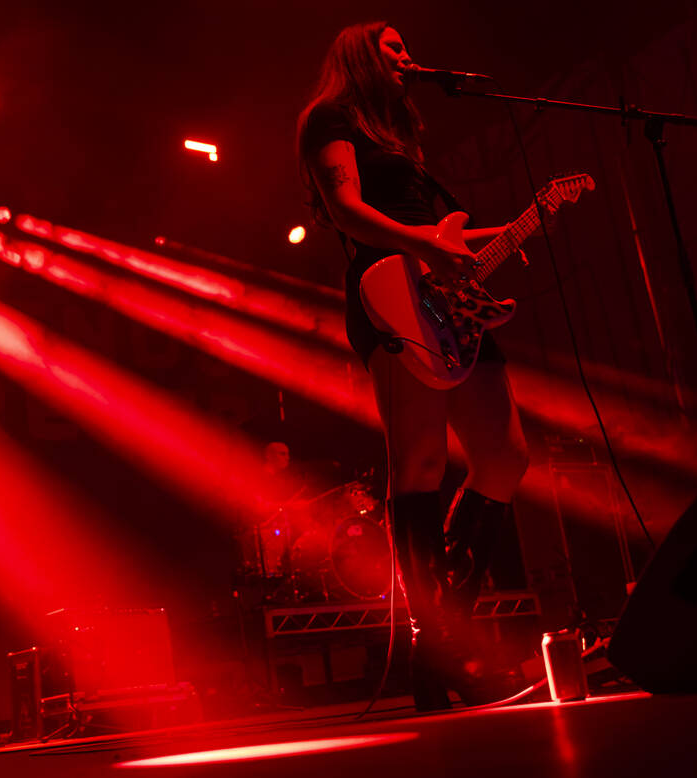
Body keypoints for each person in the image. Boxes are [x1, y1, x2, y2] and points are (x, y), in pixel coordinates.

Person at [296, 21, 529, 710]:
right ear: (360, 56)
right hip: (390, 290)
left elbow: (449, 234)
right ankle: (442, 645)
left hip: (445, 295)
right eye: (393, 49)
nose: (408, 58)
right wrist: (424, 247)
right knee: (420, 464)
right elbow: (346, 209)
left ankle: (441, 641)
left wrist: (525, 223)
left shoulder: (404, 138)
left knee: (506, 455)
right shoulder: (330, 119)